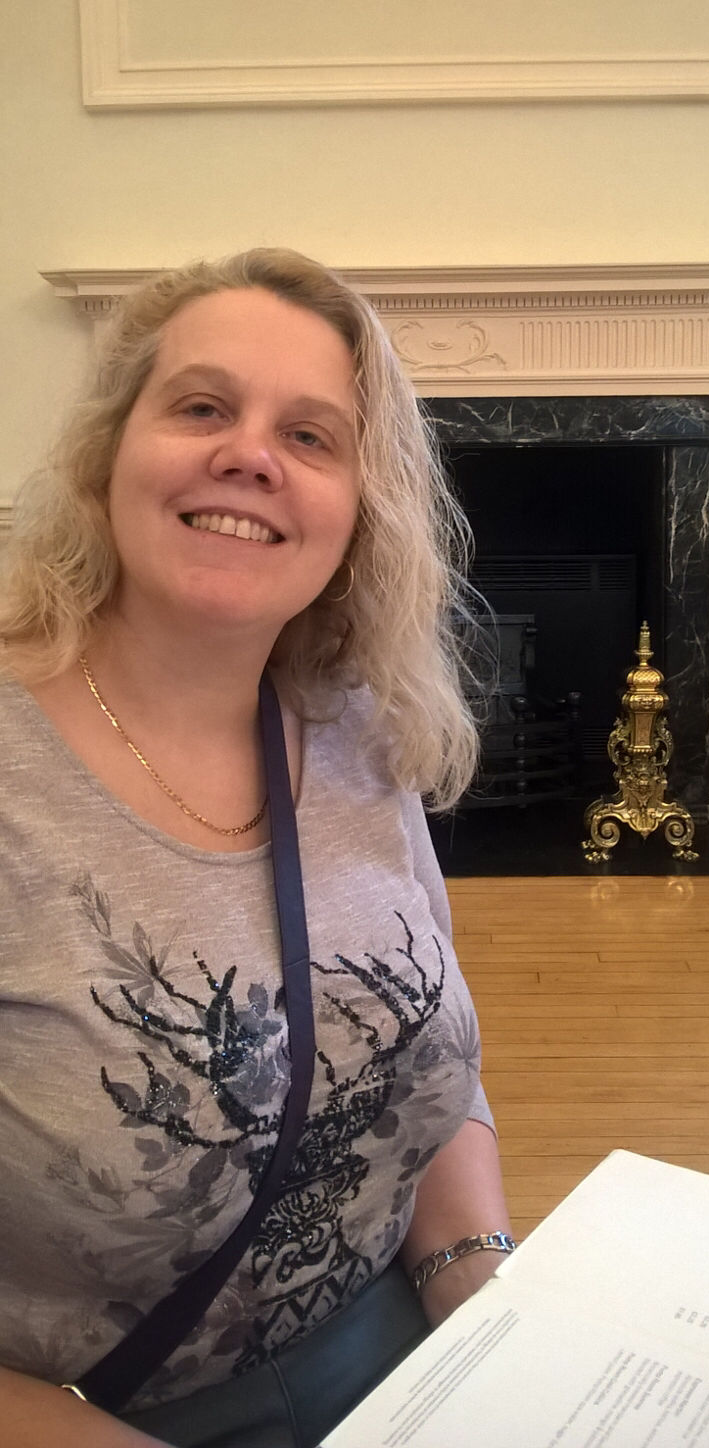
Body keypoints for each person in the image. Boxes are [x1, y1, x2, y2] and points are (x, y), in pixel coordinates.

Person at [0, 248, 514, 1448]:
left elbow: (418, 1050)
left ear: (358, 509)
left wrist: (479, 1283)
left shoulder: (358, 729)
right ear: (107, 454)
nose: (250, 454)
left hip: (398, 1360)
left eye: (311, 435)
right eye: (201, 407)